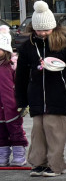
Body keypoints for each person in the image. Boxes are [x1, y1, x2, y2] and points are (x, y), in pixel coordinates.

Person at [14, 1, 66, 177]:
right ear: (33, 29)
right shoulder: (28, 46)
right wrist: (21, 101)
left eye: (46, 30)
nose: (43, 33)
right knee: (38, 130)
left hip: (58, 95)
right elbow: (20, 76)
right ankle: (38, 163)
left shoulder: (65, 44)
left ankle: (56, 165)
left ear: (53, 26)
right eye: (39, 30)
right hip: (36, 96)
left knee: (54, 130)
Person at [0, 25, 29, 167]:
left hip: (12, 106)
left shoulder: (11, 65)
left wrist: (23, 102)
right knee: (1, 133)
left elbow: (21, 84)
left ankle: (19, 155)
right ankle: (3, 156)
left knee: (16, 130)